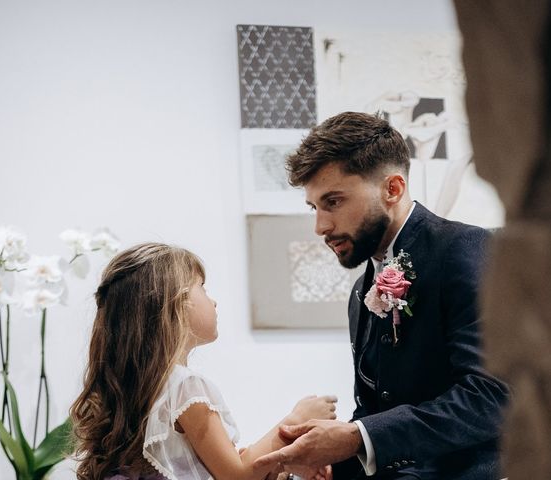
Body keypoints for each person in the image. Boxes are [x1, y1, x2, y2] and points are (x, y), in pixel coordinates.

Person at [254, 112, 510, 479]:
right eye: (315, 207)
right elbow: (375, 410)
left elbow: (492, 395)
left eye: (334, 201)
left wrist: (356, 438)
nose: (321, 226)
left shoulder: (464, 249)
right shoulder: (361, 293)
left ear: (393, 189)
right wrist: (334, 459)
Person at [70, 242, 336, 480]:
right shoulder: (185, 387)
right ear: (175, 304)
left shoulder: (143, 387)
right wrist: (297, 419)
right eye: (203, 288)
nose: (214, 301)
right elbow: (235, 476)